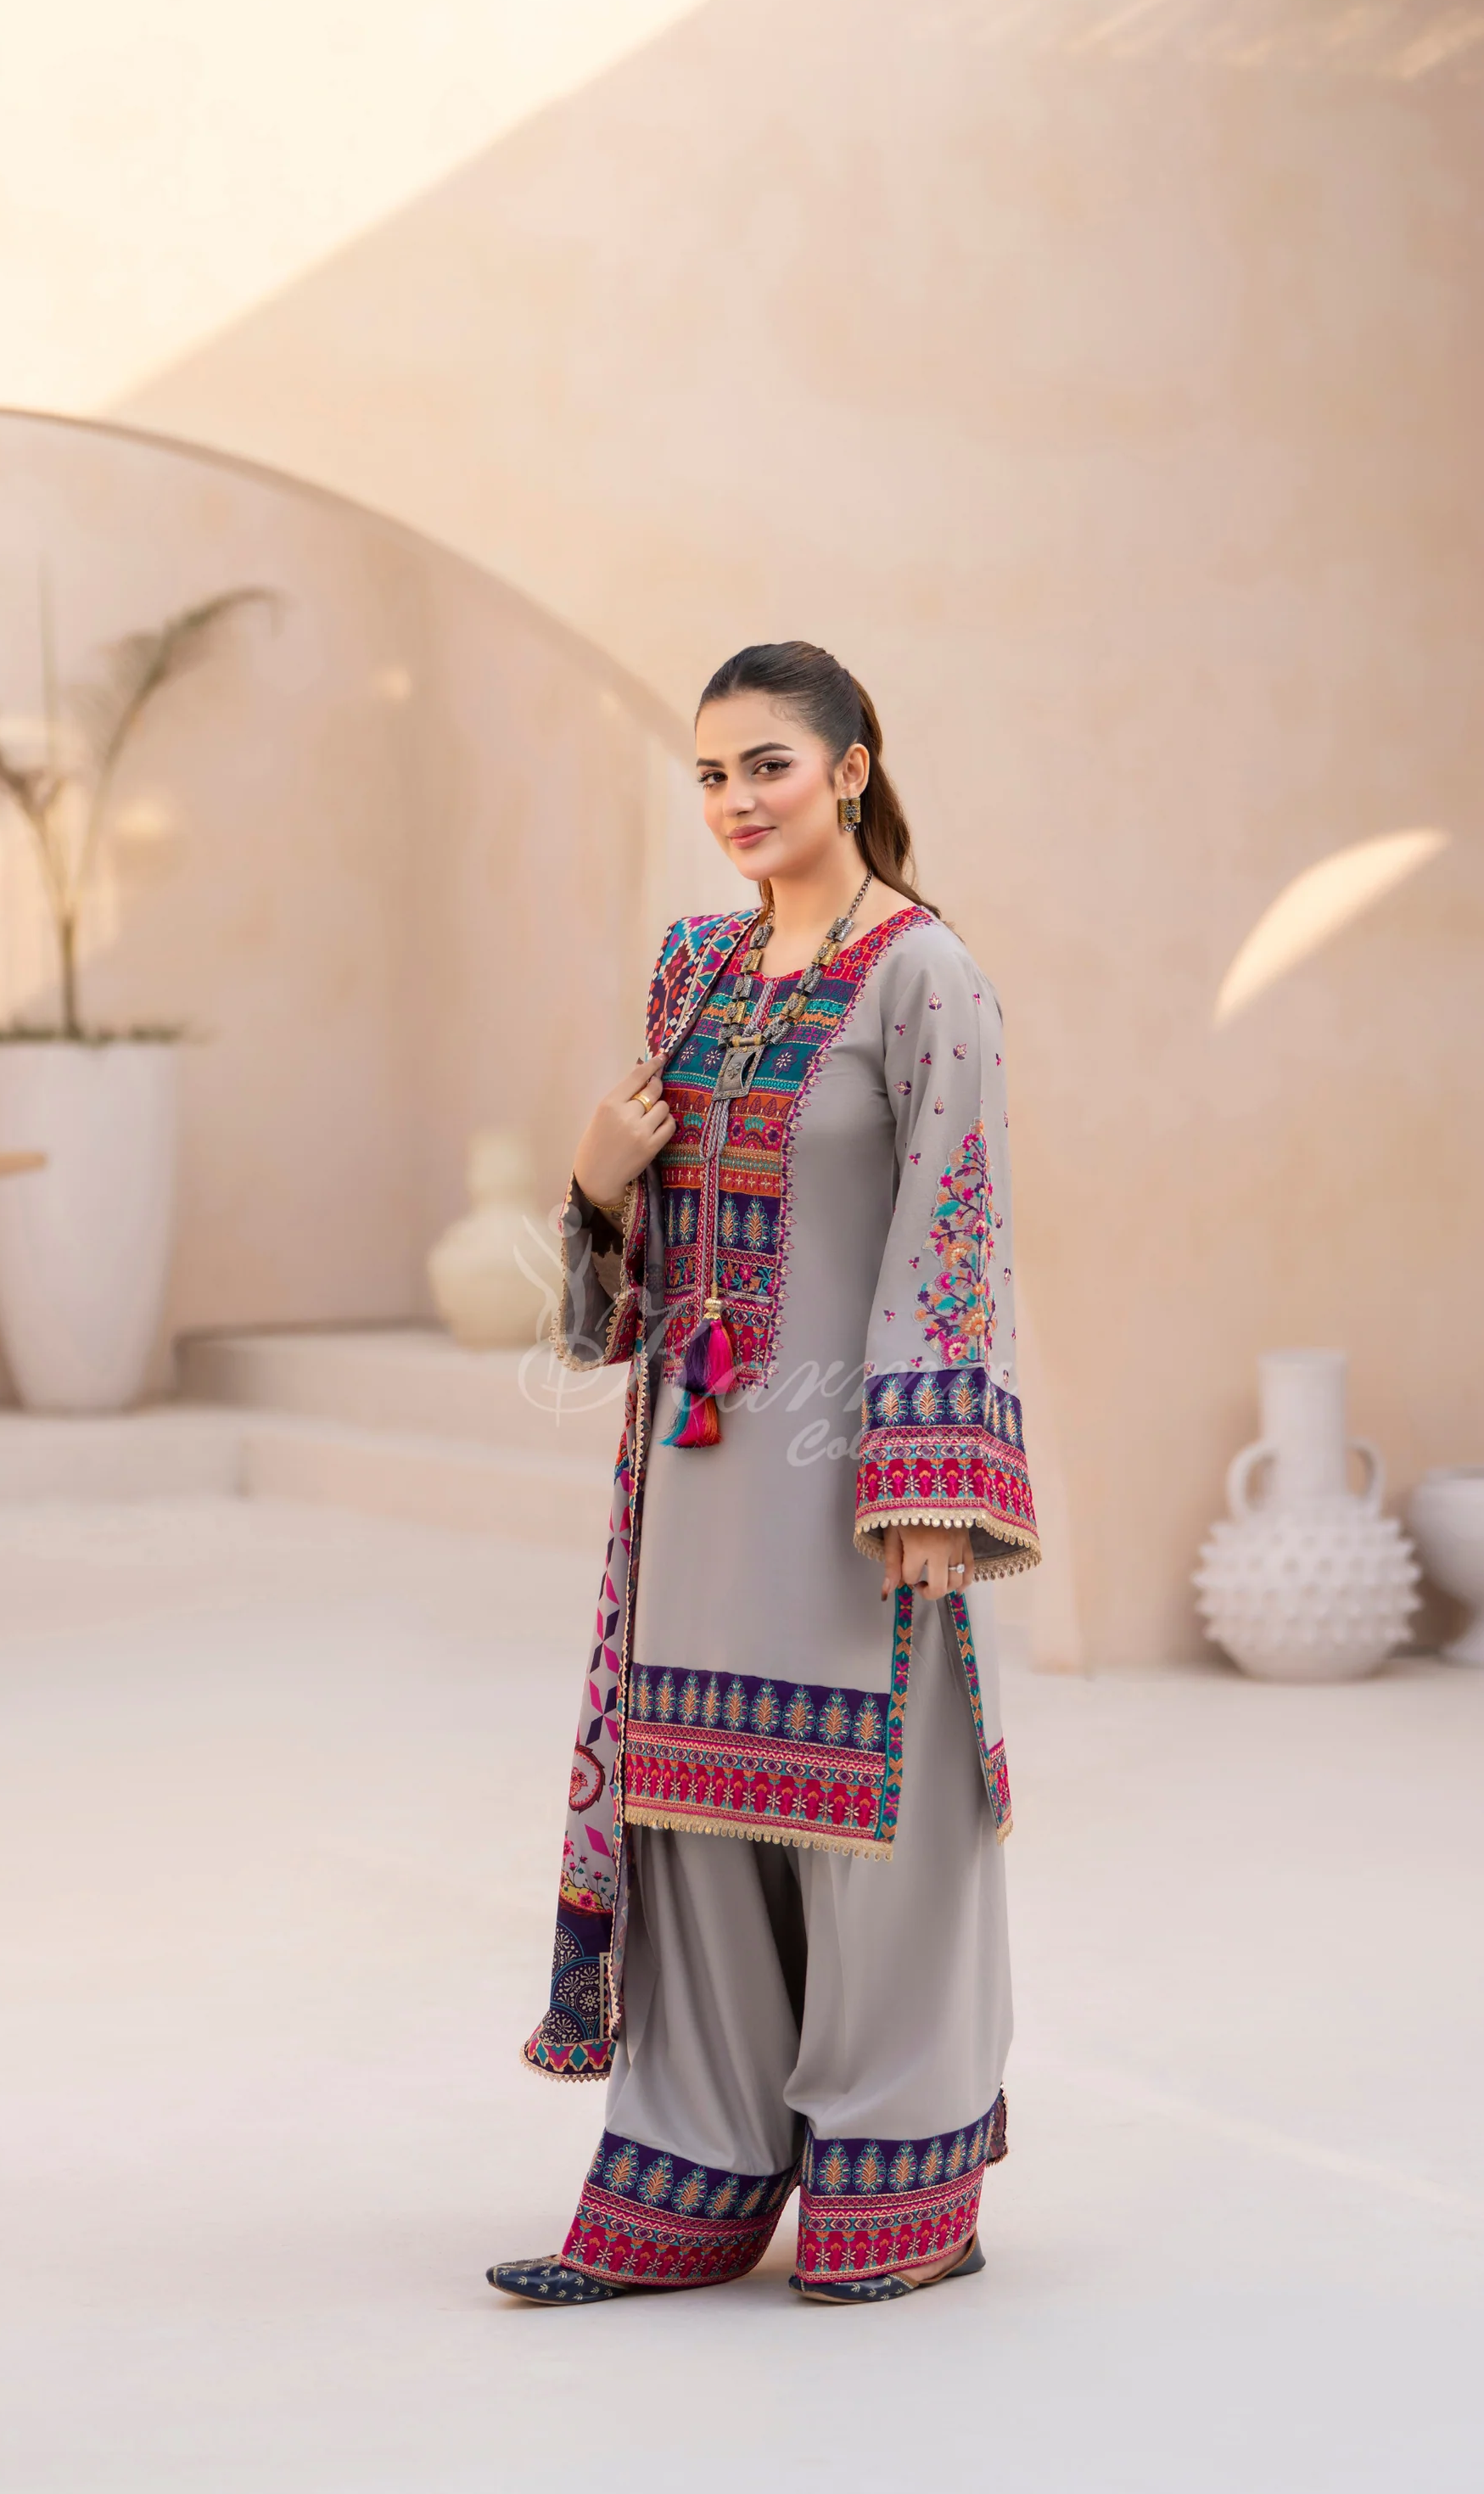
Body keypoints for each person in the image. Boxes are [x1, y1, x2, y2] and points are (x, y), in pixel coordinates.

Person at [489, 642, 1039, 2306]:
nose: (735, 800)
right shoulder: (695, 971)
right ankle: (695, 2169)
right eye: (713, 774)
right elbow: (637, 1276)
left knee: (879, 1833)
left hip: (858, 1481)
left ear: (852, 768)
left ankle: (900, 2189)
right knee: (698, 1825)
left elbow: (955, 1221)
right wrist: (594, 1184)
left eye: (769, 766)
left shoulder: (923, 972)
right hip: (699, 1472)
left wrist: (932, 1477)